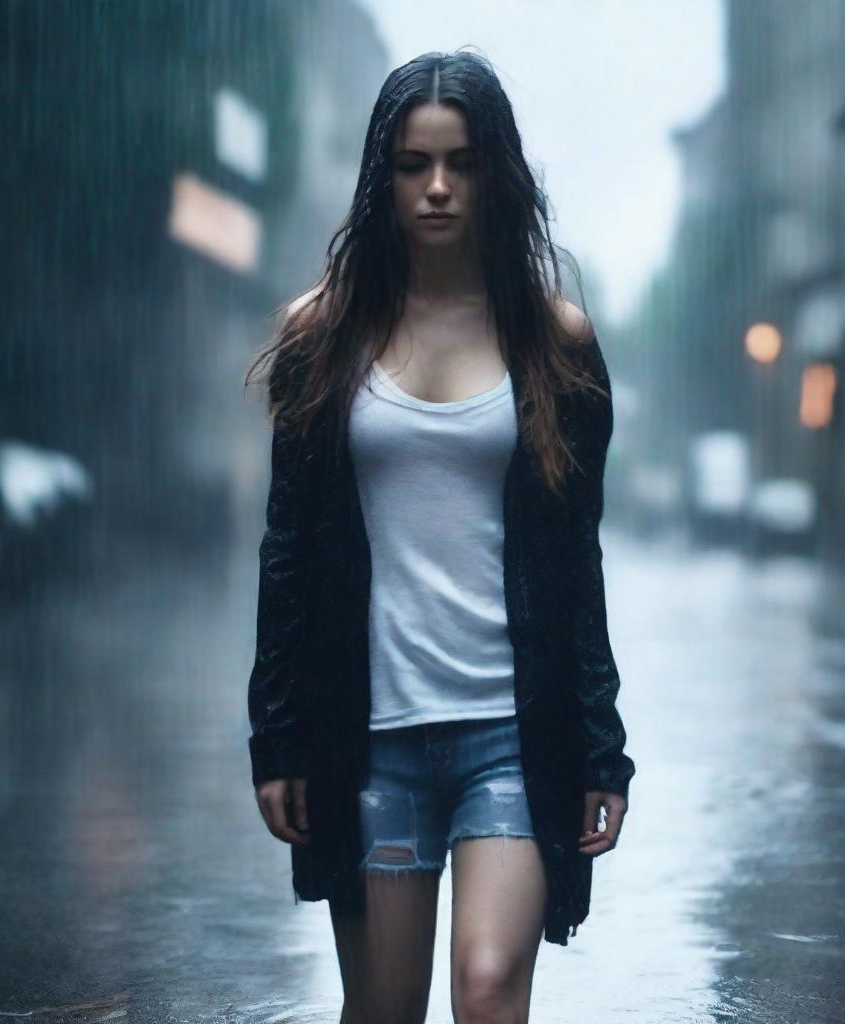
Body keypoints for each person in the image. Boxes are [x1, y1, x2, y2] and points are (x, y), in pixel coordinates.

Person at [244, 49, 635, 1024]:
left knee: (491, 987)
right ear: (381, 179)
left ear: (493, 172)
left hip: (510, 735)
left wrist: (600, 748)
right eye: (413, 165)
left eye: (459, 163)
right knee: (381, 1012)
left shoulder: (555, 342)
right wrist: (278, 732)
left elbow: (575, 561)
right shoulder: (320, 337)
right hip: (367, 736)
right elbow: (287, 548)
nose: (436, 188)